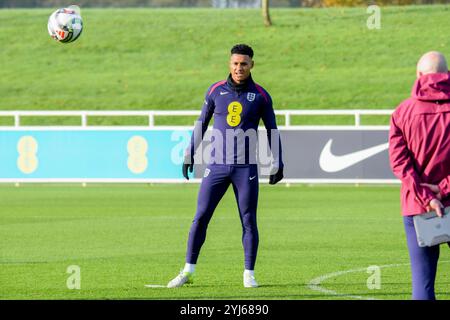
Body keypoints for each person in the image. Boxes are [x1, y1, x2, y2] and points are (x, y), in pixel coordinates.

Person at [167, 44, 284, 288]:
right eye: (235, 63)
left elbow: (272, 130)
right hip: (216, 167)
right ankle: (188, 270)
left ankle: (249, 274)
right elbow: (201, 123)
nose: (238, 68)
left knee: (248, 220)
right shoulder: (215, 90)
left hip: (245, 169)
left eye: (243, 63)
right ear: (229, 64)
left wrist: (278, 160)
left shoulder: (261, 95)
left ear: (252, 64)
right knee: (200, 217)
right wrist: (190, 153)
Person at [389, 51, 450, 300]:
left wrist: (427, 196)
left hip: (417, 206)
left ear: (418, 75)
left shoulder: (403, 112)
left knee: (422, 286)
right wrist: (444, 189)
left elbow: (400, 163)